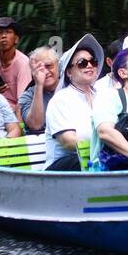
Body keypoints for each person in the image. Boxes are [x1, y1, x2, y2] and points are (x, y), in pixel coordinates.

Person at [45, 34, 104, 171]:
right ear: (69, 72)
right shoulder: (61, 100)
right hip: (63, 166)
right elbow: (68, 141)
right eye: (82, 63)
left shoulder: (104, 96)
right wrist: (108, 147)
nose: (89, 65)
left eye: (93, 61)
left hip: (94, 158)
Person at [0, 16, 31, 120]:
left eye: (8, 32)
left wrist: (18, 127)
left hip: (12, 113)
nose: (4, 36)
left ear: (16, 39)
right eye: (0, 32)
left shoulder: (23, 63)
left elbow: (22, 101)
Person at [19, 46, 61, 135]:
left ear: (58, 65)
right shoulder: (27, 96)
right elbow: (35, 125)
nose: (45, 72)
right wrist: (39, 85)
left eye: (49, 66)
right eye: (38, 69)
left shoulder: (71, 87)